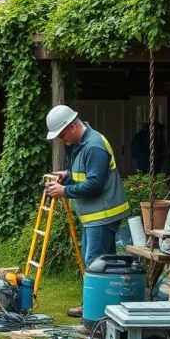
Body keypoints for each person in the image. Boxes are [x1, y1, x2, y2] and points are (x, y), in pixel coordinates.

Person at [44, 104, 131, 318]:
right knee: (105, 265)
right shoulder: (83, 144)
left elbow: (94, 184)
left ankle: (92, 314)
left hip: (102, 215)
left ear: (72, 127)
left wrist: (64, 190)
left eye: (62, 135)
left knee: (94, 265)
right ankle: (106, 308)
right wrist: (68, 174)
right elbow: (85, 173)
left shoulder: (94, 146)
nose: (61, 140)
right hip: (96, 216)